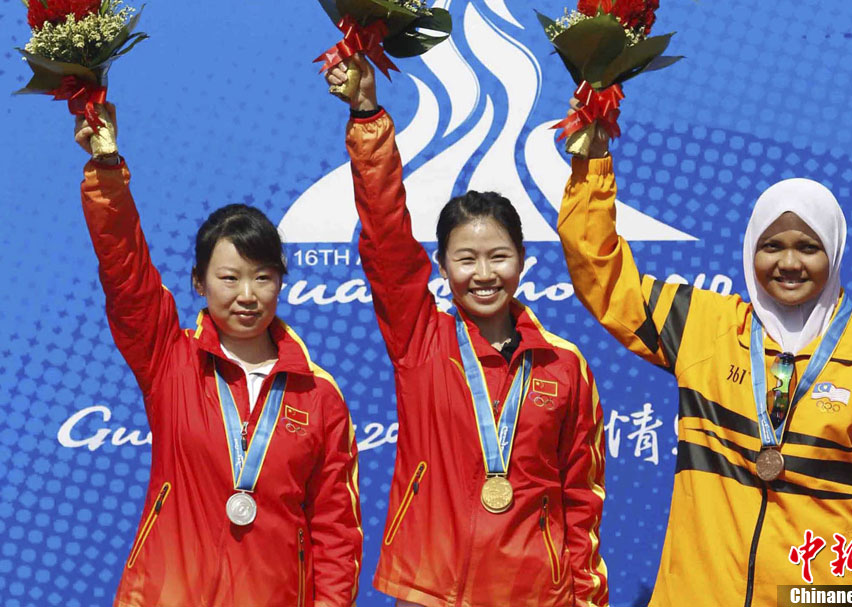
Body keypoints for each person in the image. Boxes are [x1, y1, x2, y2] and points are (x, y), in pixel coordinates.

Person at [557, 121, 852, 605]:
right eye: (772, 246)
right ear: (750, 248)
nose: (789, 263)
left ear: (835, 252)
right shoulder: (702, 327)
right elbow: (602, 277)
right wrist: (591, 162)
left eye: (808, 247)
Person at [326, 57, 608, 607]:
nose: (483, 274)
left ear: (522, 260)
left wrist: (587, 599)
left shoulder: (564, 366)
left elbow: (581, 498)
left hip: (535, 593)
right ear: (441, 265)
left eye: (498, 256)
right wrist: (367, 119)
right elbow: (385, 237)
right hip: (430, 587)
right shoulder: (419, 338)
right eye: (466, 259)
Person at [75, 105, 362, 607]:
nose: (247, 295)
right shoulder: (170, 359)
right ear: (199, 283)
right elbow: (125, 272)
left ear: (281, 283)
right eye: (229, 278)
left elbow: (335, 528)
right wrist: (107, 173)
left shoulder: (318, 396)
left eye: (263, 277)